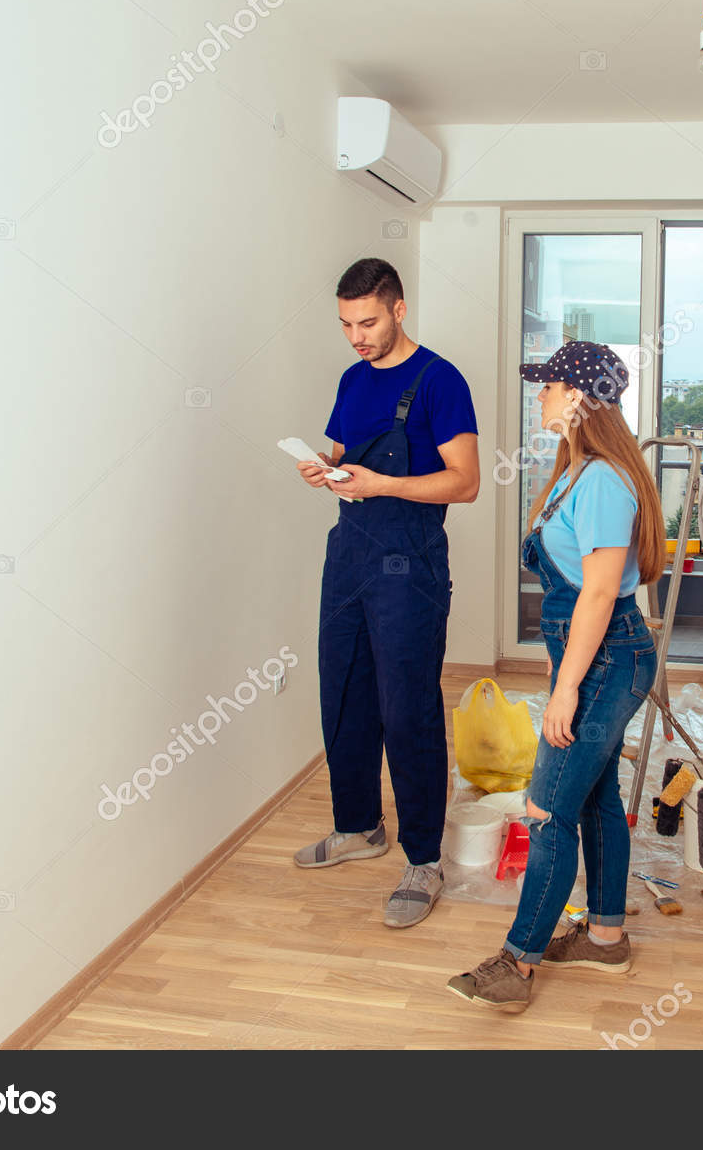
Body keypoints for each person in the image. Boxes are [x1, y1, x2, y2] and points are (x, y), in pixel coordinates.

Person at [447, 341, 664, 1012]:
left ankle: (518, 961)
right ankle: (604, 936)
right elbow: (569, 599)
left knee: (547, 810)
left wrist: (568, 687)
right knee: (594, 797)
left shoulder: (601, 479)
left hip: (608, 657)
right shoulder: (576, 470)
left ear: (575, 397)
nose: (537, 396)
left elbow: (598, 596)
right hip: (587, 654)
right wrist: (556, 672)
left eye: (547, 387)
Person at [292, 258, 479, 929]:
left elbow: (464, 482)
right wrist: (325, 466)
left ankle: (423, 856)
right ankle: (358, 826)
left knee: (408, 709)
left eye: (367, 322)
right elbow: (342, 448)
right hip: (349, 551)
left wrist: (383, 484)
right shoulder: (350, 378)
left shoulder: (440, 381)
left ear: (399, 310)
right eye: (346, 324)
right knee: (341, 689)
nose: (356, 337)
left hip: (411, 559)